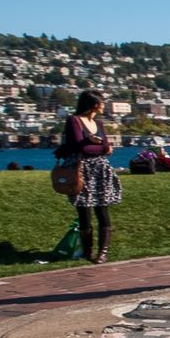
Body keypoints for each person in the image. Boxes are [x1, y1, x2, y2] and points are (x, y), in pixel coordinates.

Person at [60, 90, 119, 263]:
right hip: (81, 170)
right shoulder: (74, 121)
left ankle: (103, 252)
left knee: (102, 209)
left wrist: (100, 146)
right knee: (84, 211)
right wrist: (100, 147)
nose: (103, 105)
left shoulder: (98, 124)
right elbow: (81, 148)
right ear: (94, 104)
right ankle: (87, 251)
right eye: (102, 102)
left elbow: (105, 145)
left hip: (100, 170)